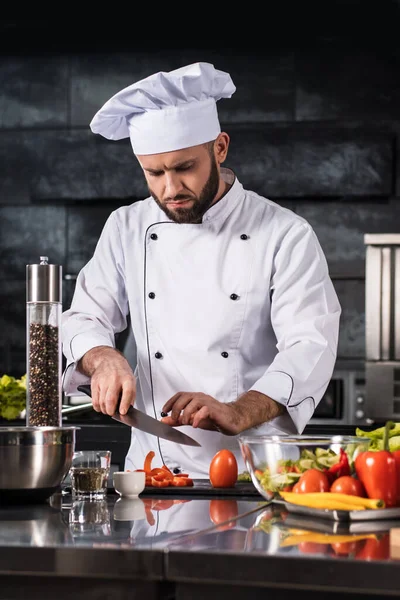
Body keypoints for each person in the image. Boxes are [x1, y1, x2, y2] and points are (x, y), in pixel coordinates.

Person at [61, 62, 341, 478]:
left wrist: (237, 410)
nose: (170, 189)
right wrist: (103, 359)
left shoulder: (285, 233)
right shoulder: (127, 227)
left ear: (220, 147)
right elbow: (84, 316)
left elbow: (310, 346)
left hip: (253, 471)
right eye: (153, 173)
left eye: (184, 167)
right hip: (151, 474)